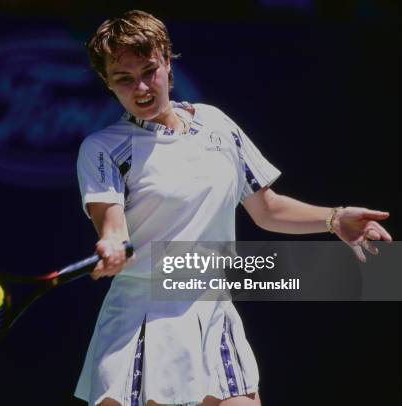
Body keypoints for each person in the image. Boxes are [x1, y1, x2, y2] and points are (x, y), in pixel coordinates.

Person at [74, 10, 392, 406]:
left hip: (213, 309)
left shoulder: (216, 124)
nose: (141, 87)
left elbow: (267, 209)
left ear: (168, 61)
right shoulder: (103, 148)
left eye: (149, 70)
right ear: (107, 81)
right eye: (124, 78)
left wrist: (333, 219)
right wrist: (112, 245)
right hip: (143, 317)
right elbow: (112, 225)